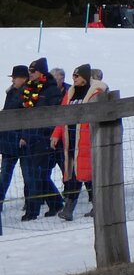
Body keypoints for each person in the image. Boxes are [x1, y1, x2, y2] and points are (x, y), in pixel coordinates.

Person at [50, 64, 107, 221]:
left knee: (87, 174)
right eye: (73, 76)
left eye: (77, 76)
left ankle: (89, 207)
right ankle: (74, 208)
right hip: (71, 141)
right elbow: (63, 116)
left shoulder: (95, 93)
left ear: (85, 77)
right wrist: (56, 134)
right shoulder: (70, 93)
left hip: (87, 140)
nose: (74, 79)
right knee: (75, 174)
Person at [18, 57, 64, 220]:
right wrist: (25, 135)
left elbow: (55, 115)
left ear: (41, 72)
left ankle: (33, 210)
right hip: (31, 135)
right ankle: (55, 202)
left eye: (33, 70)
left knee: (36, 174)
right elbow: (27, 114)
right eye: (29, 71)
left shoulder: (51, 90)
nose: (30, 73)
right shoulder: (29, 89)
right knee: (37, 174)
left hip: (44, 137)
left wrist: (50, 134)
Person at [1, 66, 28, 212]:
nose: (12, 80)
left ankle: (40, 202)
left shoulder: (28, 93)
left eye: (15, 77)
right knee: (5, 173)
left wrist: (24, 135)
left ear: (23, 78)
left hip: (20, 140)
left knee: (28, 175)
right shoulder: (11, 92)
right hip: (8, 140)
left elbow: (29, 117)